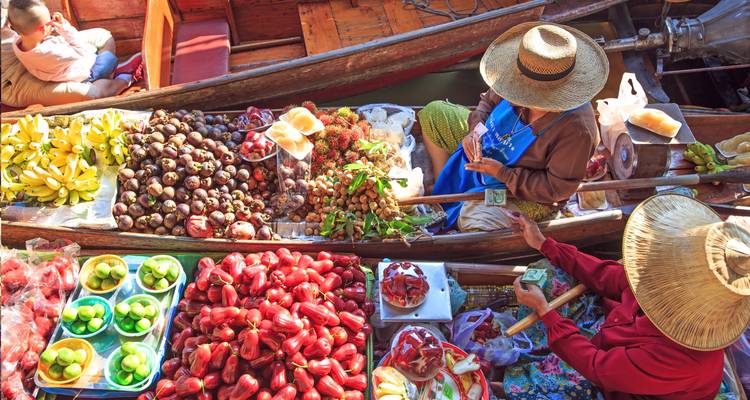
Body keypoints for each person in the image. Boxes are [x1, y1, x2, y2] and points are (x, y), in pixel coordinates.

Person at [505, 194, 750, 399]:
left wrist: (546, 312)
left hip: (623, 384)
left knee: (531, 387)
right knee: (550, 271)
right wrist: (544, 244)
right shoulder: (664, 277)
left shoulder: (683, 362)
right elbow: (607, 276)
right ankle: (545, 342)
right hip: (613, 336)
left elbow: (596, 366)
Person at [418, 22, 608, 231]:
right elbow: (487, 103)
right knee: (434, 114)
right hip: (489, 147)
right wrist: (475, 131)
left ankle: (461, 207)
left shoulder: (577, 129)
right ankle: (440, 192)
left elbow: (557, 189)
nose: (519, 97)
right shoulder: (518, 74)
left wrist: (503, 174)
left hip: (522, 193)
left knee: (474, 219)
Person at [1, 0, 140, 108]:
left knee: (102, 36)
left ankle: (109, 75)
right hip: (13, 81)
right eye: (50, 20)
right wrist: (65, 29)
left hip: (39, 51)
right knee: (94, 92)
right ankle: (125, 78)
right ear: (43, 29)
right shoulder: (50, 52)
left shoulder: (18, 43)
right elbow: (82, 51)